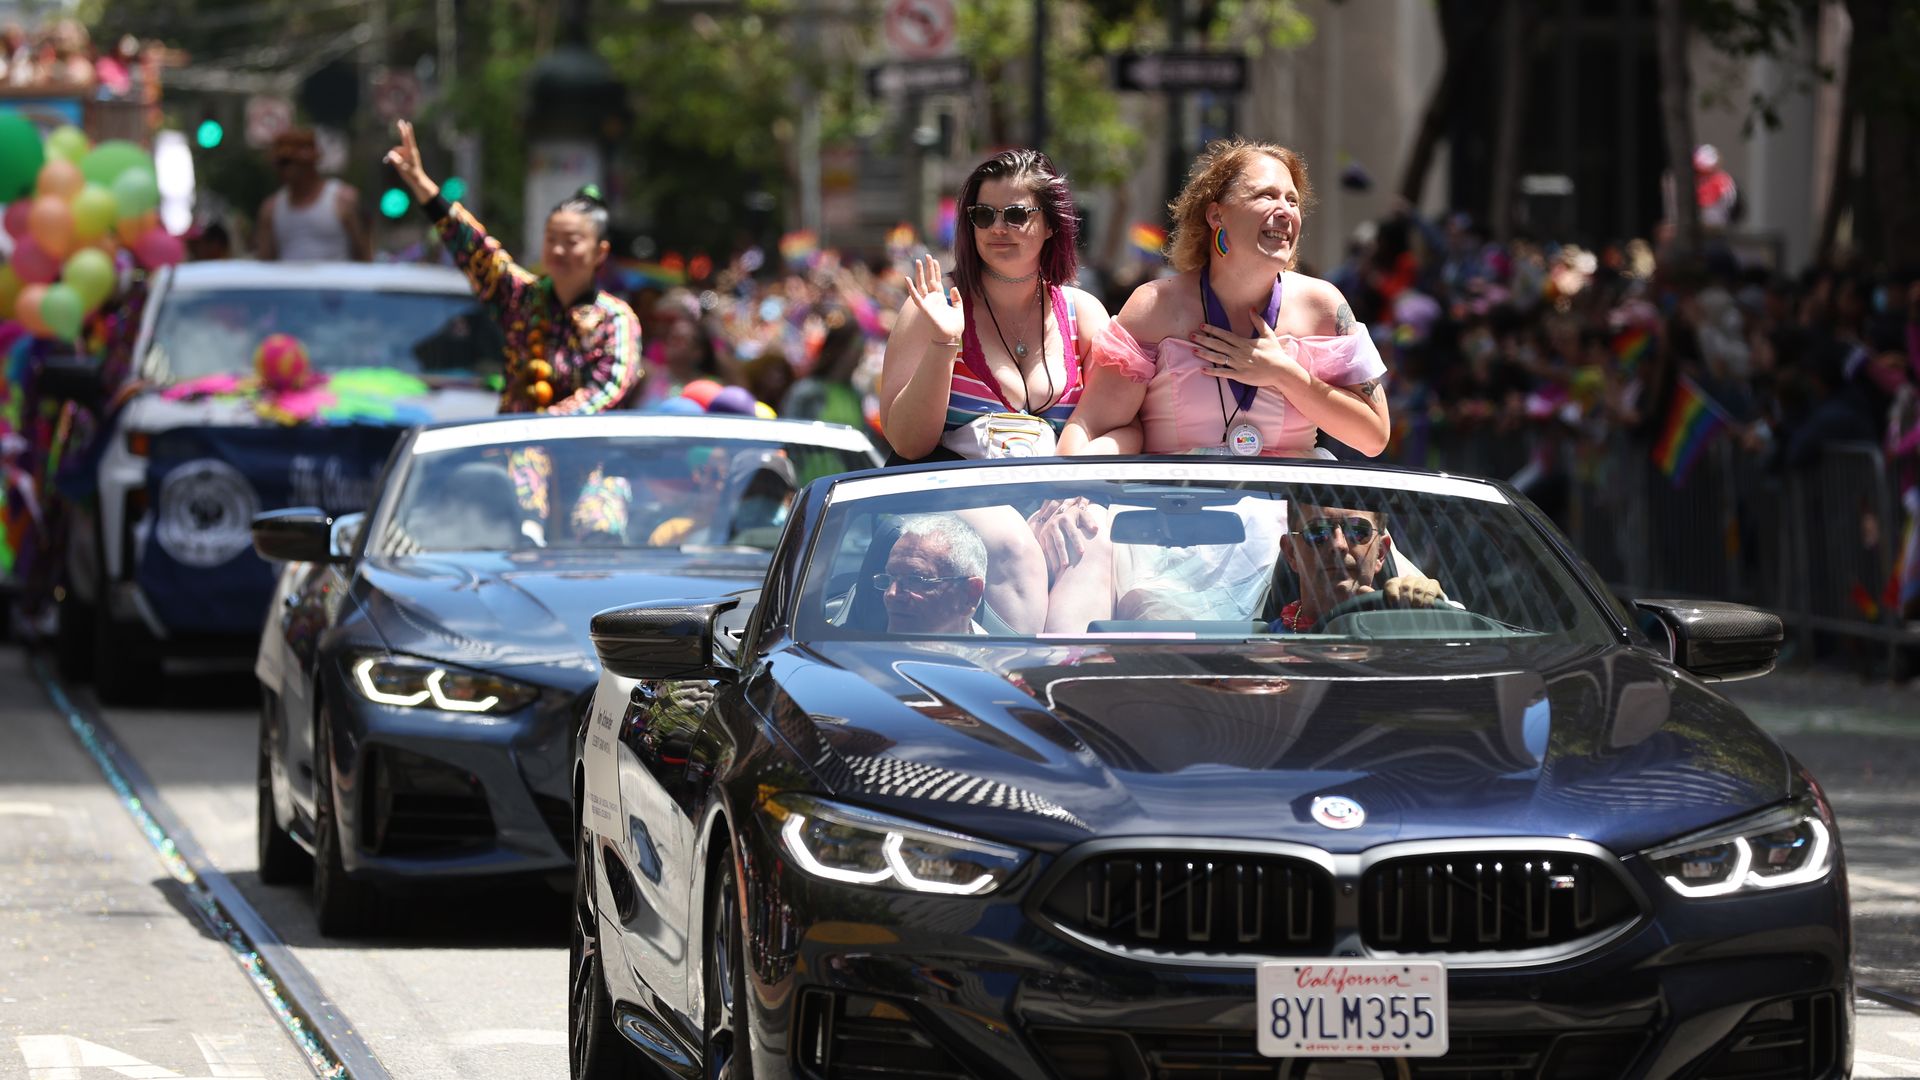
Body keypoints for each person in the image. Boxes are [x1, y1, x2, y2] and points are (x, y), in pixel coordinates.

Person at [879, 149, 1130, 634]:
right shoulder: (932, 308)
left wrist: (1072, 487)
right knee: (1013, 542)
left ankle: (1063, 680)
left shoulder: (1083, 315)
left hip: (1054, 497)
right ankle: (1010, 689)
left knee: (1096, 538)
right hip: (945, 503)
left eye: (1017, 214)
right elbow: (907, 444)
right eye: (984, 215)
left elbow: (1125, 426)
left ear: (1051, 224)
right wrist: (942, 343)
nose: (999, 227)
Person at [1058, 138, 1390, 459]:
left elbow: (1373, 438)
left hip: (1287, 512)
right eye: (1266, 196)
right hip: (1177, 511)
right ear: (1217, 216)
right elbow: (1092, 426)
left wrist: (1285, 375)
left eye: (1293, 201)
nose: (1286, 211)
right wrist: (1068, 497)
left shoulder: (1324, 305)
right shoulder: (1155, 305)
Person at [384, 119, 641, 415]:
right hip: (513, 455)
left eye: (571, 241)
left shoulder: (615, 320)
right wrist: (420, 182)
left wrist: (544, 426)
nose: (558, 249)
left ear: (600, 252)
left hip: (584, 456)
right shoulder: (521, 298)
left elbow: (607, 390)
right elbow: (473, 247)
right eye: (551, 239)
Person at [1272, 503, 1446, 633]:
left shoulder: (1404, 630)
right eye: (1318, 531)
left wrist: (1427, 618)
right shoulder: (1260, 646)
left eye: (1357, 530)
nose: (1339, 545)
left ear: (1380, 553)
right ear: (1291, 553)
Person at [255, 129, 372, 262]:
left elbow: (364, 253)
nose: (284, 170)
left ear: (309, 162)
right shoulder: (270, 209)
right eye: (280, 164)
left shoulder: (343, 200)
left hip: (336, 281)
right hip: (289, 282)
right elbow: (265, 262)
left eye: (289, 162)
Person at [881, 515, 989, 635]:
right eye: (890, 579)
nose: (891, 593)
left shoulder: (1000, 653)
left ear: (970, 594)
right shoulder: (863, 651)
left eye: (914, 580)